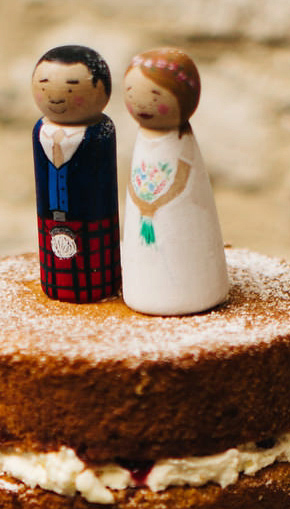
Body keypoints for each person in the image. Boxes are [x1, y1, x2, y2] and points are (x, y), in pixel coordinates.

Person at [121, 47, 229, 316]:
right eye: (132, 94)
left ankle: (194, 289)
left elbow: (180, 183)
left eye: (155, 96)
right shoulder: (143, 141)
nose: (141, 104)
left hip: (179, 223)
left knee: (181, 247)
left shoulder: (181, 146)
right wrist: (142, 204)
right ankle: (146, 288)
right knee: (146, 254)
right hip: (144, 220)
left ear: (184, 98)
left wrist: (154, 204)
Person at [31, 44, 120, 303]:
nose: (56, 97)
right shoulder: (41, 130)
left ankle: (100, 286)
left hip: (94, 216)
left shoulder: (99, 133)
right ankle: (56, 286)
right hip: (50, 215)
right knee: (57, 271)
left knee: (94, 272)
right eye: (44, 86)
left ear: (101, 90)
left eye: (71, 89)